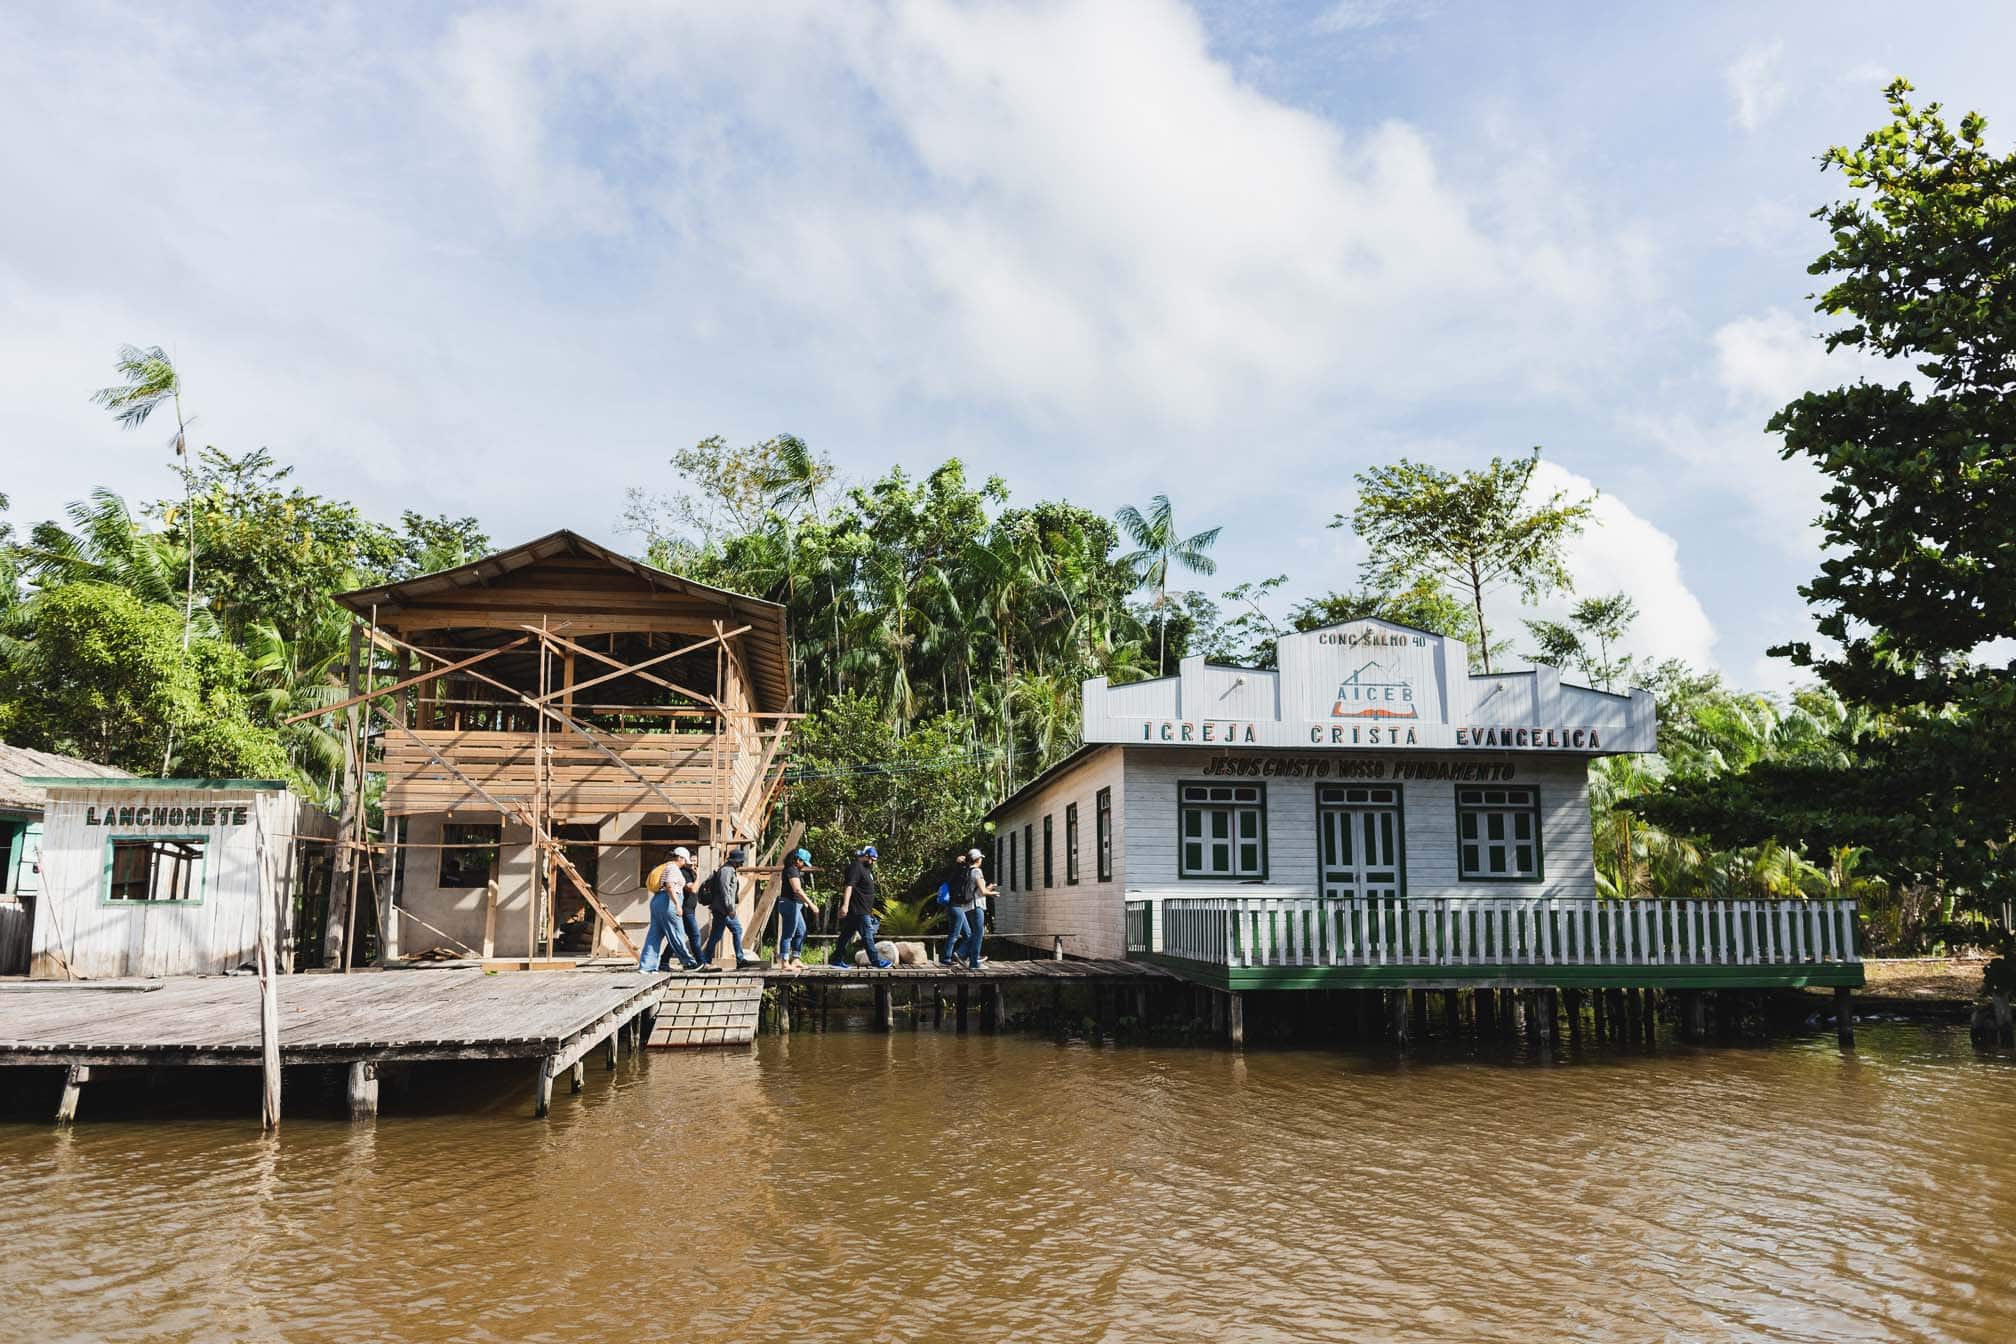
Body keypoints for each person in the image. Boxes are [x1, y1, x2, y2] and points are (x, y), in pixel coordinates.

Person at [638, 847, 703, 973]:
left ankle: (647, 966)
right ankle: (689, 963)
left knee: (654, 935)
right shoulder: (673, 868)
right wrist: (677, 904)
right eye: (685, 859)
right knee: (677, 933)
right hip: (668, 901)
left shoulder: (666, 866)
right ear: (680, 857)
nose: (686, 862)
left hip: (657, 901)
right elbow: (669, 885)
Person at [831, 846, 893, 969]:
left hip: (862, 909)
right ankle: (876, 962)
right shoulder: (856, 867)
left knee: (846, 935)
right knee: (867, 935)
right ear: (865, 856)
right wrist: (845, 905)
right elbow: (849, 886)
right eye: (871, 859)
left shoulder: (866, 869)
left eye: (875, 860)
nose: (873, 862)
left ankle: (837, 960)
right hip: (858, 909)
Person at [701, 847, 763, 969]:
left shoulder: (730, 870)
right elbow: (725, 891)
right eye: (740, 861)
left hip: (722, 908)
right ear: (734, 861)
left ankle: (706, 960)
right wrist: (730, 908)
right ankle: (738, 959)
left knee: (717, 935)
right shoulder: (726, 871)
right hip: (722, 909)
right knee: (735, 930)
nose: (741, 863)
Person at [776, 847, 817, 969]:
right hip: (789, 905)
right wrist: (811, 904)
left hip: (794, 904)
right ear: (797, 859)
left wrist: (802, 902)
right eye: (803, 862)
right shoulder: (791, 870)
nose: (803, 865)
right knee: (788, 933)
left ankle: (796, 958)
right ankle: (784, 961)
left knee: (801, 931)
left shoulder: (794, 870)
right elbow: (797, 889)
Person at [941, 851, 975, 968]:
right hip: (955, 906)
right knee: (954, 934)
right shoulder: (961, 872)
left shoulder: (958, 872)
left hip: (957, 907)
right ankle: (947, 957)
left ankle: (970, 955)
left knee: (968, 934)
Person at [965, 847, 996, 968]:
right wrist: (994, 893)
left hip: (967, 906)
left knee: (976, 933)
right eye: (980, 858)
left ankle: (967, 956)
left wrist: (989, 888)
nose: (981, 860)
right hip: (976, 906)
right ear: (977, 859)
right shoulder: (977, 871)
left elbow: (977, 891)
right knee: (978, 933)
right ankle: (972, 961)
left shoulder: (967, 871)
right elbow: (983, 892)